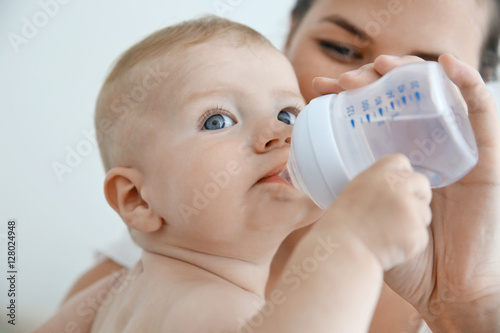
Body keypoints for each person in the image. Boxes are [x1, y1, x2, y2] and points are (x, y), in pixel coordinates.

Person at [63, 0, 500, 331]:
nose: (280, 134)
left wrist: (469, 301)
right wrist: (355, 244)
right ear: (138, 199)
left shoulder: (128, 289)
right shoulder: (200, 297)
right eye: (218, 120)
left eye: (288, 115)